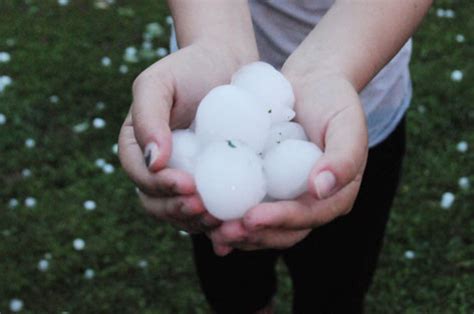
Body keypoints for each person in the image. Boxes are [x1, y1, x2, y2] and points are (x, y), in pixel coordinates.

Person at [118, 1, 432, 313]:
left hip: (359, 103)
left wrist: (332, 67)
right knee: (234, 289)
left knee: (336, 288)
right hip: (202, 87)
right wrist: (214, 42)